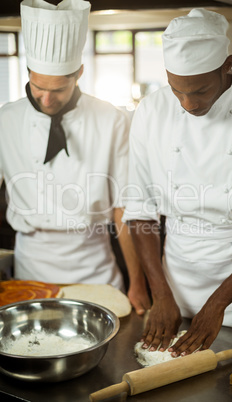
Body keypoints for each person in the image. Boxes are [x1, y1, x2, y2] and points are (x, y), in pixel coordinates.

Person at [123, 8, 232, 355]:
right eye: (177, 91)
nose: (188, 103)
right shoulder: (150, 111)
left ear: (227, 65)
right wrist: (162, 294)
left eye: (200, 90)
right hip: (174, 282)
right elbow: (141, 212)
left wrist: (218, 305)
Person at [0, 0, 150, 315]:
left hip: (95, 269)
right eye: (38, 87)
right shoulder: (5, 120)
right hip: (31, 267)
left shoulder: (111, 119)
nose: (45, 98)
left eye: (58, 89)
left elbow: (123, 208)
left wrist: (137, 281)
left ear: (78, 73)